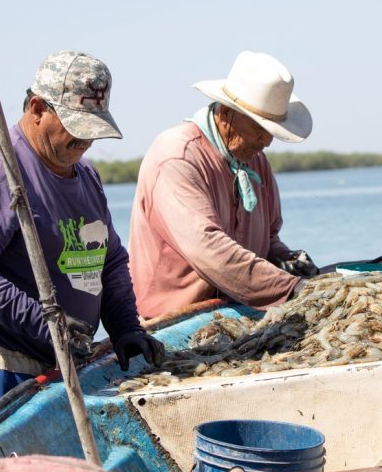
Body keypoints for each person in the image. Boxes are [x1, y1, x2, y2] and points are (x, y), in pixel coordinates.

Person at [0, 51, 164, 431]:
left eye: (93, 128)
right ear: (37, 108)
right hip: (0, 362)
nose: (85, 139)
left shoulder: (86, 175)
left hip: (61, 356)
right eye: (75, 125)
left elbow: (107, 259)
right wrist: (47, 323)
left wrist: (125, 326)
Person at [128, 51, 317, 319]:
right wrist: (293, 288)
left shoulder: (255, 160)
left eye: (272, 131)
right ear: (227, 113)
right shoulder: (177, 157)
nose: (267, 141)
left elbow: (269, 239)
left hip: (237, 311)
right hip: (172, 320)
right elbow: (210, 251)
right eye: (260, 128)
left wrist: (287, 260)